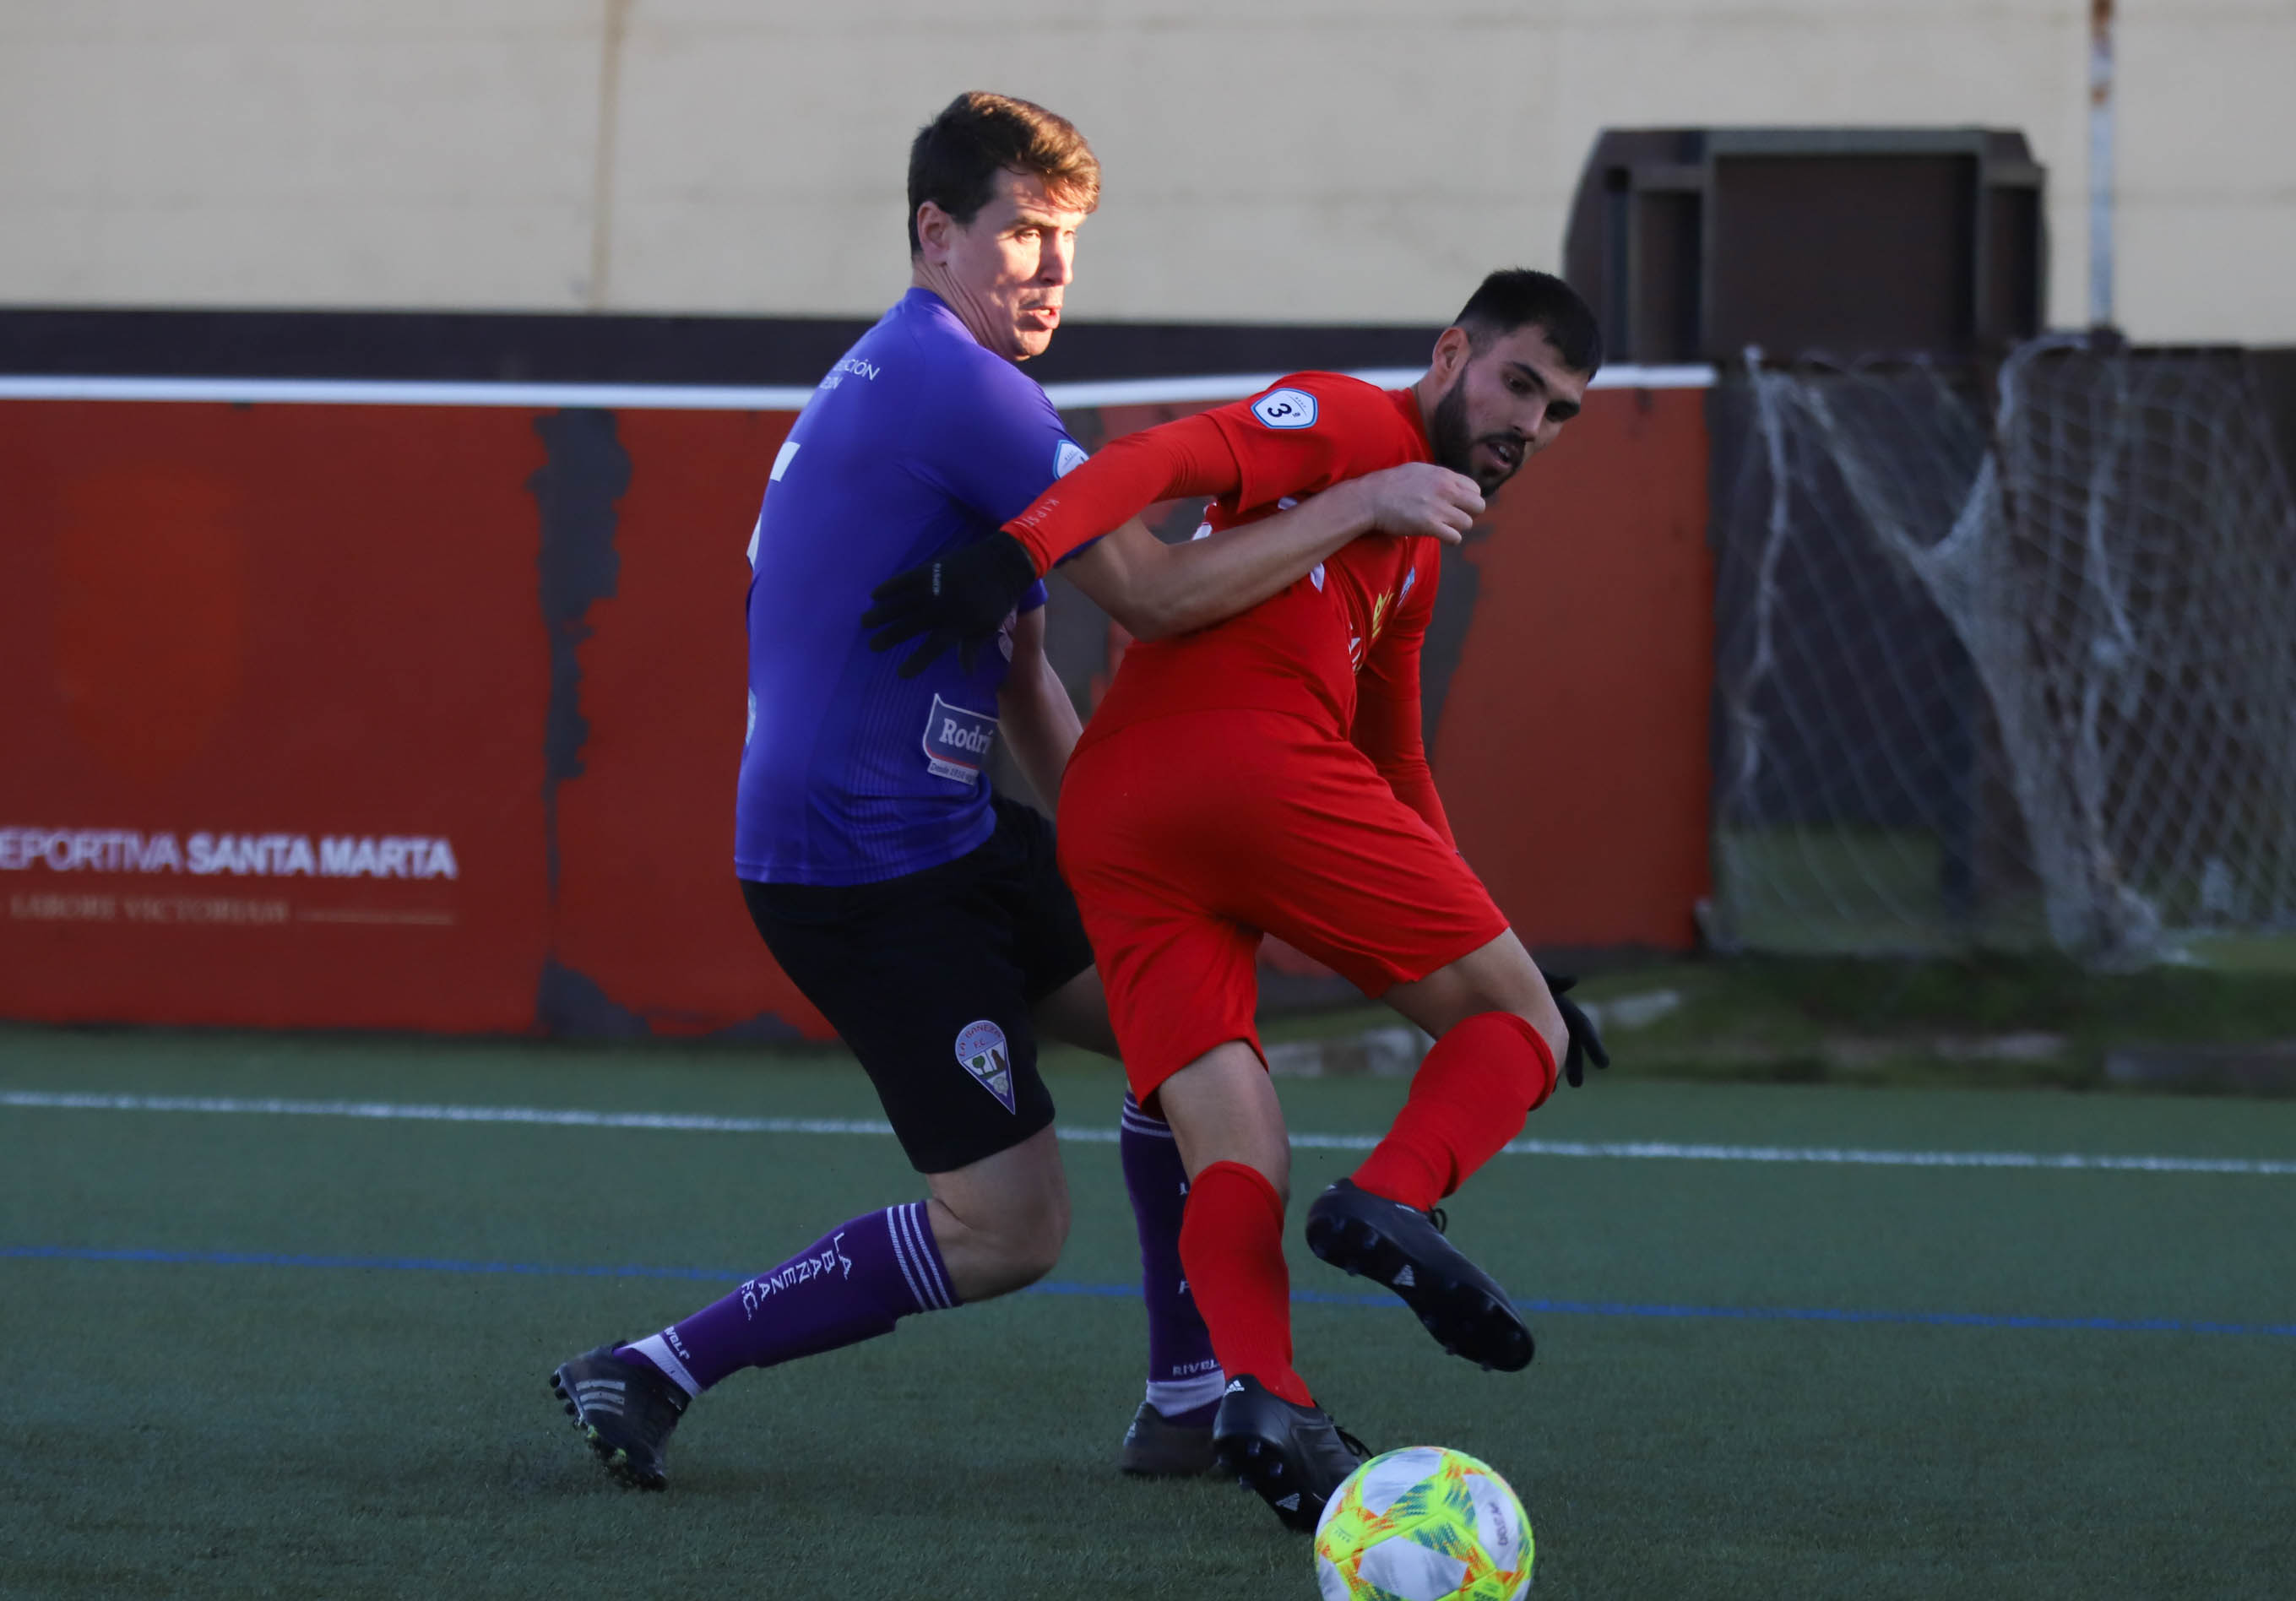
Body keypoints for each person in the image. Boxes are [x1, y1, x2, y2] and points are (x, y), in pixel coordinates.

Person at [548, 91, 1485, 1490]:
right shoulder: (959, 386)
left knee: (1195, 1043)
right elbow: (1160, 600)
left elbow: (1026, 670)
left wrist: (1131, 850)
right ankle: (652, 1365)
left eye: (1071, 240)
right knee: (1010, 1231)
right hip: (856, 871)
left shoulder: (930, 381)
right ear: (938, 234)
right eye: (1026, 232)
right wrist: (1362, 499)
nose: (1053, 268)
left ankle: (1190, 1399)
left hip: (955, 829)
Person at [863, 269, 1613, 1528]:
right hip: (1248, 771)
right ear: (1449, 353)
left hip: (1120, 818)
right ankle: (1393, 1197)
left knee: (1236, 1142)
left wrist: (1498, 937)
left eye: (1558, 414)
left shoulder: (1412, 550)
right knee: (1519, 1034)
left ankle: (1261, 1395)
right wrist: (1021, 550)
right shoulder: (1351, 420)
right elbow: (1159, 456)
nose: (1528, 427)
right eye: (1518, 386)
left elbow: (1397, 760)